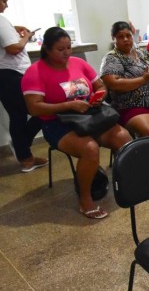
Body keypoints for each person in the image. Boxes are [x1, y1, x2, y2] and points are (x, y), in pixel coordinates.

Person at [21, 27, 132, 219]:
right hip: (57, 124)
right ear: (46, 49)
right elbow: (34, 108)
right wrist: (67, 106)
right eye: (60, 49)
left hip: (89, 117)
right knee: (90, 149)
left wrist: (99, 96)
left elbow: (101, 86)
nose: (66, 53)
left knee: (123, 137)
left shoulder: (78, 63)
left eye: (68, 47)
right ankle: (85, 198)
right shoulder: (35, 72)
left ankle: (126, 183)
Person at [0, 0, 48, 172]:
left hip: (5, 76)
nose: (6, 5)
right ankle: (23, 152)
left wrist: (14, 28)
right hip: (12, 75)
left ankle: (25, 156)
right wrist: (26, 37)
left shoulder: (3, 21)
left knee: (17, 116)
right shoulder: (0, 20)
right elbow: (13, 48)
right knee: (42, 110)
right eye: (4, 1)